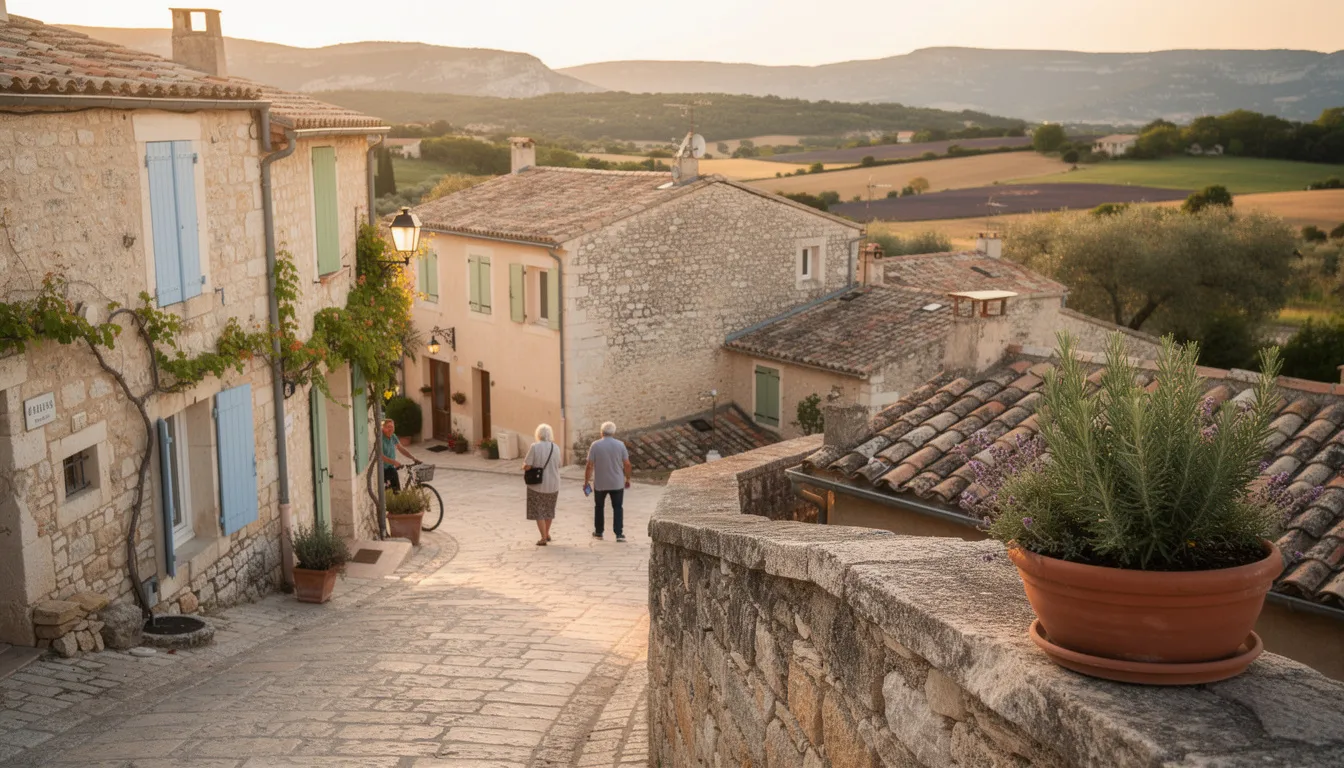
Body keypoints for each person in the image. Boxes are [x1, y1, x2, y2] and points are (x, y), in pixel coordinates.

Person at [584, 421, 631, 542]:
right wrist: (628, 478)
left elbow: (589, 465)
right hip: (617, 482)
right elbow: (627, 463)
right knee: (618, 507)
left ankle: (599, 532)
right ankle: (619, 534)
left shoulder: (595, 445)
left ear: (601, 432)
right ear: (614, 432)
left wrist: (586, 481)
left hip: (600, 483)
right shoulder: (620, 445)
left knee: (599, 507)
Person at [523, 423, 561, 546]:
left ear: (538, 434)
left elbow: (528, 465)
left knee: (538, 511)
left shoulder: (535, 447)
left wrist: (524, 466)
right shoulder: (556, 447)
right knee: (549, 510)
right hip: (554, 484)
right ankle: (547, 533)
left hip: (537, 485)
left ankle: (543, 537)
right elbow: (558, 464)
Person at [380, 418, 416, 492]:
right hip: (382, 470)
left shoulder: (393, 436)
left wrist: (413, 458)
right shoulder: (380, 438)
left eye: (392, 427)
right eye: (388, 427)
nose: (390, 429)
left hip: (390, 468)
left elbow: (401, 448)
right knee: (388, 492)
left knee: (397, 491)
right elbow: (381, 456)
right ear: (383, 428)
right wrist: (394, 462)